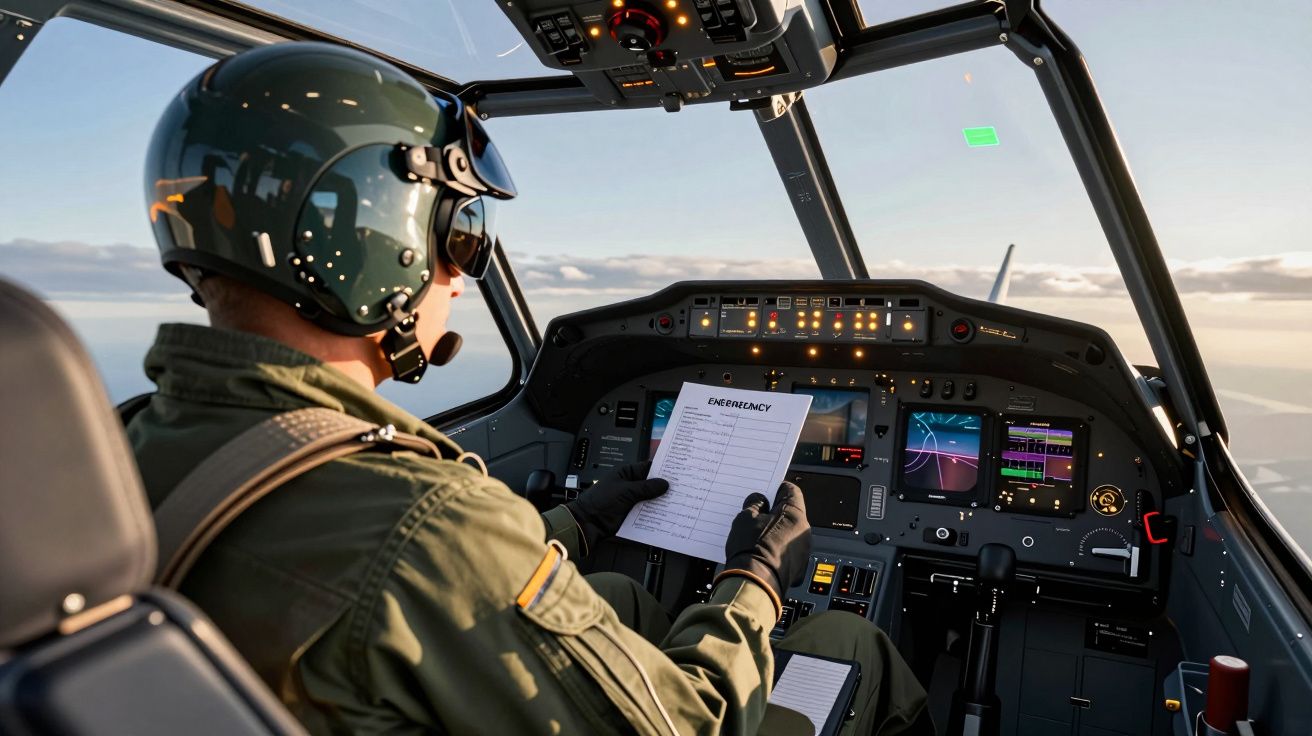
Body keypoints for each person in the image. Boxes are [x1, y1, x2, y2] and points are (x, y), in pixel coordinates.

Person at [129, 41, 930, 734]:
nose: (461, 272)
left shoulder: (118, 447)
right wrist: (753, 581)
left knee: (615, 590)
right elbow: (693, 724)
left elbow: (440, 588)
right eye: (464, 235)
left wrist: (573, 522)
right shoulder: (424, 523)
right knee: (846, 644)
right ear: (380, 245)